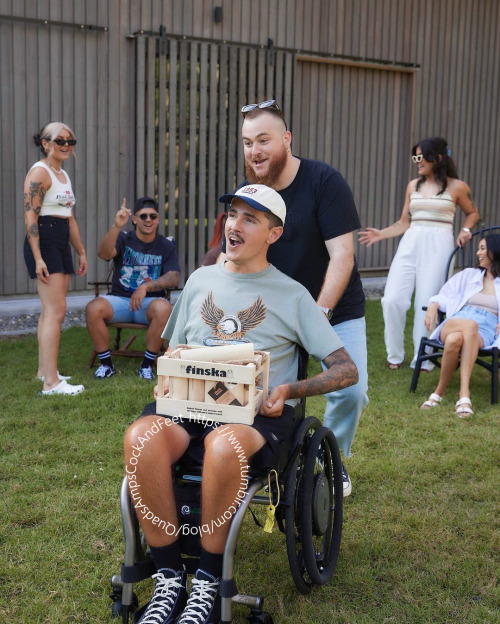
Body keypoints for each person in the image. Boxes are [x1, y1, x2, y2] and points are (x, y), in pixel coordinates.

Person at [123, 185, 358, 624]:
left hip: (256, 418)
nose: (234, 225)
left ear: (274, 233)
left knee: (224, 445)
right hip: (189, 408)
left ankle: (209, 584)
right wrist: (168, 376)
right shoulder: (200, 280)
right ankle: (170, 578)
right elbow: (174, 347)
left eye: (250, 218)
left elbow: (346, 370)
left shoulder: (291, 294)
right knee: (141, 437)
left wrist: (289, 391)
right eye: (233, 214)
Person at [235, 100, 368, 496]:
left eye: (263, 140)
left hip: (334, 307)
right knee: (264, 392)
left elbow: (343, 255)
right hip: (275, 312)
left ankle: (332, 458)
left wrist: (320, 312)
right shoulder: (250, 193)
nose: (254, 151)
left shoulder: (324, 181)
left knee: (351, 391)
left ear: (286, 140)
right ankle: (270, 463)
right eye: (246, 143)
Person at [358, 136, 480, 370]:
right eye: (414, 157)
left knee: (427, 302)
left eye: (420, 157)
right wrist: (381, 234)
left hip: (439, 246)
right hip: (410, 244)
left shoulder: (458, 187)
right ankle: (394, 355)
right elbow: (405, 222)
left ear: (438, 158)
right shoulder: (413, 185)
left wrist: (465, 230)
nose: (416, 162)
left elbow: (472, 212)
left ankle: (422, 357)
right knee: (391, 299)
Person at [23, 121, 87, 396]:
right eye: (58, 140)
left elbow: (69, 218)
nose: (65, 145)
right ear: (45, 143)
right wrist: (38, 258)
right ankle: (51, 383)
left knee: (51, 311)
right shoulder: (41, 172)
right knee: (56, 311)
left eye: (69, 141)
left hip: (59, 239)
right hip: (44, 240)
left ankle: (44, 372)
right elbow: (30, 217)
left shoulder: (62, 174)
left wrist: (80, 251)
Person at [85, 197, 180, 380]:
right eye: (143, 216)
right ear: (134, 219)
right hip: (120, 301)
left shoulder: (165, 245)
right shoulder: (124, 238)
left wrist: (146, 286)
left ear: (158, 219)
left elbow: (174, 276)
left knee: (164, 308)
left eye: (152, 216)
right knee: (93, 308)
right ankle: (106, 364)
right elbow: (104, 253)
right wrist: (116, 226)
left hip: (148, 304)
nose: (148, 220)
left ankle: (146, 365)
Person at [420, 235, 500, 417]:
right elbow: (445, 295)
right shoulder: (467, 275)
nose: (478, 252)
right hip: (457, 320)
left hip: (485, 330)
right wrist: (433, 305)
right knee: (468, 326)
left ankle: (438, 393)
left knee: (456, 339)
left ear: (495, 251)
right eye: (478, 248)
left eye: (482, 248)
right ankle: (464, 394)